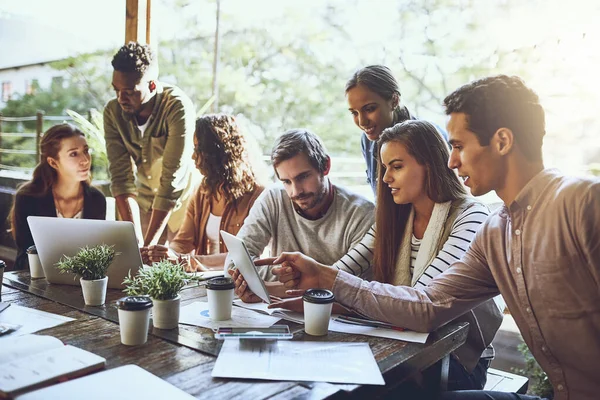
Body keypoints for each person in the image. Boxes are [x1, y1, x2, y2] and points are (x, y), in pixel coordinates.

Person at [272, 75, 600, 400]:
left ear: (502, 141)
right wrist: (324, 279)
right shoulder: (496, 232)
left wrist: (332, 284)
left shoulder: (582, 202)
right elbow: (428, 305)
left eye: (458, 146)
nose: (452, 160)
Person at [270, 120, 502, 391]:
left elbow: (418, 304)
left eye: (397, 166)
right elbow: (342, 272)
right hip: (405, 348)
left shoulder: (471, 216)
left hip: (455, 361)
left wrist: (329, 285)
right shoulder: (394, 219)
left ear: (430, 163)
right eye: (384, 168)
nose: (385, 178)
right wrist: (298, 289)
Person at [230, 128, 375, 300]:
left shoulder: (362, 214)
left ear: (326, 166)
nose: (296, 191)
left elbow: (350, 288)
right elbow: (234, 266)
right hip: (278, 315)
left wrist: (268, 287)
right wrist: (288, 274)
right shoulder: (273, 198)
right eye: (286, 181)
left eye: (303, 177)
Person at [142, 114, 265, 270]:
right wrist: (165, 254)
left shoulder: (257, 196)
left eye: (199, 149)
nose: (193, 156)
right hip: (203, 281)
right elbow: (183, 242)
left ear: (218, 152)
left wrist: (185, 261)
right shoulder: (202, 191)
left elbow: (247, 255)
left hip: (237, 285)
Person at [104, 42, 196, 247]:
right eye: (116, 90)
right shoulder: (112, 112)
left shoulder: (177, 107)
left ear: (152, 85)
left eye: (128, 91)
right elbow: (120, 177)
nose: (120, 98)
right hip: (143, 202)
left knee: (176, 267)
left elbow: (171, 181)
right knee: (137, 263)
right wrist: (135, 238)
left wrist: (148, 244)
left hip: (182, 202)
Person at [10, 124, 106, 271]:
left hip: (82, 283)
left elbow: (97, 255)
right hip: (35, 282)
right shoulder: (28, 198)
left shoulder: (96, 199)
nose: (85, 160)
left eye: (86, 151)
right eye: (74, 154)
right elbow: (26, 257)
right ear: (53, 162)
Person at [346, 65, 446, 195]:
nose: (362, 122)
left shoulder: (427, 138)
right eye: (354, 113)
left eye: (369, 109)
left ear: (394, 100)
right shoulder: (368, 139)